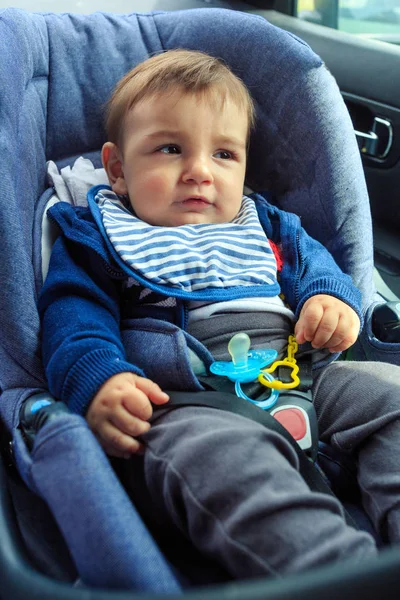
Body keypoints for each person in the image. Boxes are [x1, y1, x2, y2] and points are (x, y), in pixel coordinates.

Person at [39, 49, 400, 580]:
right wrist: (99, 378)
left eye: (225, 155)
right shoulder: (95, 232)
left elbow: (316, 266)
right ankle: (338, 570)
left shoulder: (266, 223)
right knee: (220, 462)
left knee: (390, 393)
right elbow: (73, 312)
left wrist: (329, 301)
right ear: (117, 168)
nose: (199, 172)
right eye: (169, 148)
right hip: (186, 400)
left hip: (301, 372)